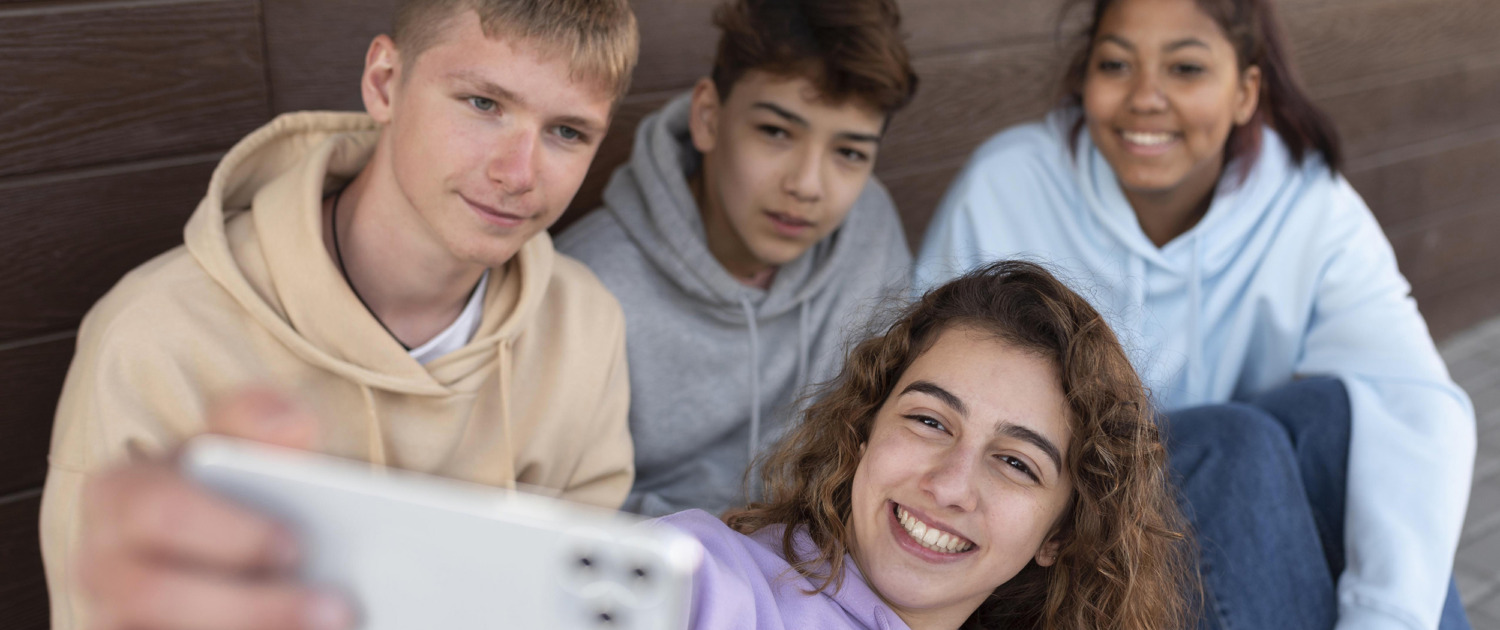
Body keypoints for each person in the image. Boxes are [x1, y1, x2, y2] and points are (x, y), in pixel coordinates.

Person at [85, 260, 1195, 630]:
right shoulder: (718, 582)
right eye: (928, 419)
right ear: (864, 434)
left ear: (1062, 532)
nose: (950, 481)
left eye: (1015, 462)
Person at [40, 1, 640, 628]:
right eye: (482, 103)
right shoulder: (154, 334)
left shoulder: (585, 320)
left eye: (567, 133)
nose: (518, 173)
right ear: (384, 83)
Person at [912, 0, 1476, 628]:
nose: (1145, 98)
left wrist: (1389, 615)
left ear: (1245, 92)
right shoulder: (1010, 184)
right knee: (1231, 442)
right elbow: (924, 374)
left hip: (1222, 508)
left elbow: (1415, 399)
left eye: (1185, 68)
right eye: (1116, 64)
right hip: (1057, 519)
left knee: (1334, 419)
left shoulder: (1305, 201)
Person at [555, 0, 918, 517]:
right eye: (776, 132)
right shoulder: (588, 282)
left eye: (849, 153)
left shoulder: (869, 225)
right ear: (708, 117)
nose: (807, 185)